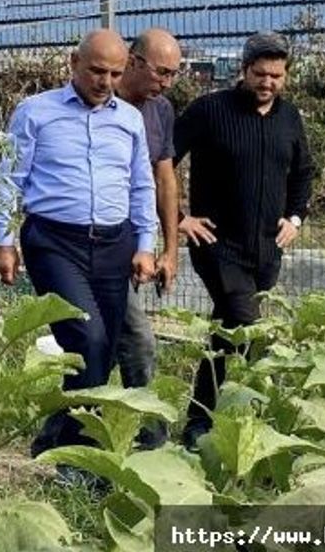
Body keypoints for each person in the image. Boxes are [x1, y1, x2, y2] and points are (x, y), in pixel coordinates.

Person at [0, 28, 157, 463]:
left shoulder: (129, 120)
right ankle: (82, 460)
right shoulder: (35, 113)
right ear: (73, 63)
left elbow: (142, 185)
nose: (105, 82)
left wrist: (145, 244)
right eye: (97, 71)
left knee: (101, 349)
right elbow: (9, 179)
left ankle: (56, 441)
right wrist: (3, 241)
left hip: (112, 244)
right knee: (88, 340)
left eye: (116, 73)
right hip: (54, 242)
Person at [172, 31, 315, 450]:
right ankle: (243, 421)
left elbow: (303, 173)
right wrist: (179, 219)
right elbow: (160, 161)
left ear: (285, 76)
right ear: (243, 70)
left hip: (267, 249)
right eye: (259, 74)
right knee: (247, 326)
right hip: (217, 245)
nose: (267, 82)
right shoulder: (209, 110)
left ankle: (202, 424)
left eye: (276, 75)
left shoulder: (290, 118)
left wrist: (295, 217)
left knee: (228, 331)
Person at [110, 28, 182, 450]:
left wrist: (169, 250)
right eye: (161, 72)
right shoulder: (103, 101)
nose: (167, 83)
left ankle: (145, 440)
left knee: (128, 338)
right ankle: (147, 441)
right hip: (96, 240)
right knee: (131, 337)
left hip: (133, 243)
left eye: (174, 74)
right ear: (134, 62)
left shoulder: (161, 111)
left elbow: (165, 179)